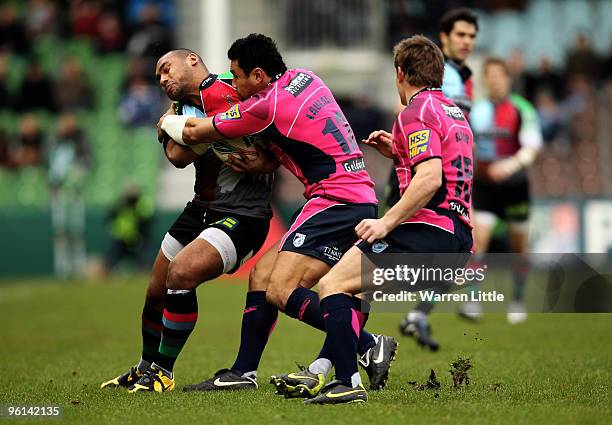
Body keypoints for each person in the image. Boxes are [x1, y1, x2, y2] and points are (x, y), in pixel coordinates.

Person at [159, 34, 396, 395]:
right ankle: (243, 372)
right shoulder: (305, 77)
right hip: (352, 194)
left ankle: (367, 344)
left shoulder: (263, 106)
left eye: (236, 76)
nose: (233, 84)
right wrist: (266, 160)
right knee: (262, 276)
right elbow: (294, 137)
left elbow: (194, 131)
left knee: (282, 290)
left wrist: (165, 122)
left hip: (335, 199)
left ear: (257, 74)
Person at [299, 35, 474, 404]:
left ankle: (347, 382)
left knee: (331, 286)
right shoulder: (451, 111)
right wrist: (398, 152)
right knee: (357, 292)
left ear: (400, 72)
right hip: (458, 240)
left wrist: (386, 223)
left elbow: (430, 178)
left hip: (429, 231)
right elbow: (444, 167)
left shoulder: (415, 112)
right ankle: (325, 369)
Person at [101, 49, 274, 393]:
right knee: (155, 289)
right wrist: (182, 127)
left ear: (192, 60)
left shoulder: (235, 87)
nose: (163, 79)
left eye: (166, 69)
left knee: (181, 274)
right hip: (200, 208)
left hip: (243, 212)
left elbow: (268, 137)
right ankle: (145, 367)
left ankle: (163, 372)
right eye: (158, 78)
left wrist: (173, 126)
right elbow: (177, 156)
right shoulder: (182, 109)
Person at [394, 8, 479, 349]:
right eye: (461, 35)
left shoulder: (462, 77)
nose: (467, 42)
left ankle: (415, 315)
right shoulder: (437, 75)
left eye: (472, 36)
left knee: (454, 242)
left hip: (437, 168)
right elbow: (413, 115)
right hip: (418, 166)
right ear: (443, 38)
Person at [468, 58, 543, 324]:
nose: (495, 80)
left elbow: (533, 147)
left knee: (518, 248)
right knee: (478, 241)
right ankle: (473, 301)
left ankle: (518, 301)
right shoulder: (476, 111)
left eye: (500, 76)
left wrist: (509, 166)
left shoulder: (521, 109)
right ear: (485, 80)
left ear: (507, 79)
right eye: (490, 76)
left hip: (515, 187)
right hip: (485, 186)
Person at [47, 113, 91, 278]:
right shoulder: (54, 142)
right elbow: (50, 166)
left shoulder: (81, 141)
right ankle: (62, 268)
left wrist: (75, 177)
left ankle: (78, 266)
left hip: (75, 192)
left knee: (76, 231)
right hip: (58, 191)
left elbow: (87, 163)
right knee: (60, 232)